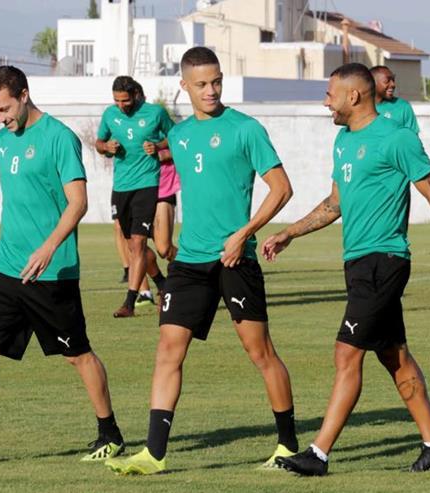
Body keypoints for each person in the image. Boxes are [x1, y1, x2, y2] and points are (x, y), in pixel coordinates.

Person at [262, 63, 430, 476]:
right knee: (395, 356)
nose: (325, 103)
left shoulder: (398, 138)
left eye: (330, 95)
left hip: (386, 260)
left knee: (346, 353)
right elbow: (335, 203)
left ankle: (318, 454)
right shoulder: (343, 141)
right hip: (358, 263)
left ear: (354, 96)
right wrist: (290, 233)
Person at [104, 47, 299, 475]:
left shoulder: (246, 129)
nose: (211, 91)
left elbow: (282, 188)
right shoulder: (178, 137)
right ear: (184, 86)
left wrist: (243, 234)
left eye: (217, 82)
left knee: (260, 352)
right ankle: (154, 453)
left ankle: (287, 445)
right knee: (167, 350)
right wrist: (162, 231)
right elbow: (171, 187)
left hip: (235, 260)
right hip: (189, 262)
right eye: (202, 84)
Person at [0, 66, 124, 467]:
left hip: (52, 272)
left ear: (24, 95)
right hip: (5, 266)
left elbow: (79, 203)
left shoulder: (59, 138)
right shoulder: (1, 141)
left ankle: (110, 433)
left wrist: (49, 247)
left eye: (4, 109)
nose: (0, 119)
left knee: (78, 355)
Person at [96, 76, 173, 317]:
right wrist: (106, 147)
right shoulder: (110, 115)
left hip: (147, 185)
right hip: (120, 187)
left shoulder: (155, 113)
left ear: (136, 95)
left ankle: (130, 303)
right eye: (117, 100)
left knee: (139, 243)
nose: (121, 105)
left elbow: (176, 137)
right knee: (133, 247)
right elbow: (99, 142)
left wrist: (158, 146)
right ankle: (163, 283)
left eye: (126, 101)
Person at [370, 65, 419, 133]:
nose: (393, 84)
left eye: (393, 80)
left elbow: (412, 137)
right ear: (372, 83)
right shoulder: (361, 107)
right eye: (387, 81)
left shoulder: (403, 107)